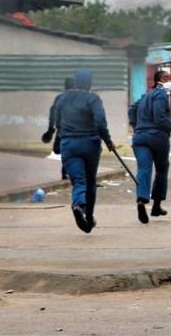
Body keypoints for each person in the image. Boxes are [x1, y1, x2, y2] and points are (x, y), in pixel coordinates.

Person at [51, 68, 115, 233]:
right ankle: (89, 215)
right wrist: (108, 141)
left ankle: (79, 205)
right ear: (90, 83)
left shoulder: (62, 99)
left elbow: (57, 122)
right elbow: (100, 122)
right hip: (90, 144)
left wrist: (60, 137)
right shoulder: (93, 98)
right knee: (90, 181)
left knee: (79, 181)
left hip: (69, 144)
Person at [129, 70, 171, 224]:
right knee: (162, 169)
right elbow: (160, 118)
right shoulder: (161, 95)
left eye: (170, 77)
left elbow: (131, 110)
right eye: (166, 78)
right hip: (157, 137)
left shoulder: (145, 96)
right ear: (158, 81)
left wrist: (137, 127)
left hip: (140, 138)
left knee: (143, 170)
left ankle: (141, 201)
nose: (169, 80)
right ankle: (156, 205)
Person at [41, 77, 75, 179]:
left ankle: (66, 171)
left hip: (63, 130)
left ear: (65, 86)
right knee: (66, 150)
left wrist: (51, 129)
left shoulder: (60, 98)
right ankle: (67, 171)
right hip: (73, 130)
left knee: (61, 150)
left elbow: (53, 113)